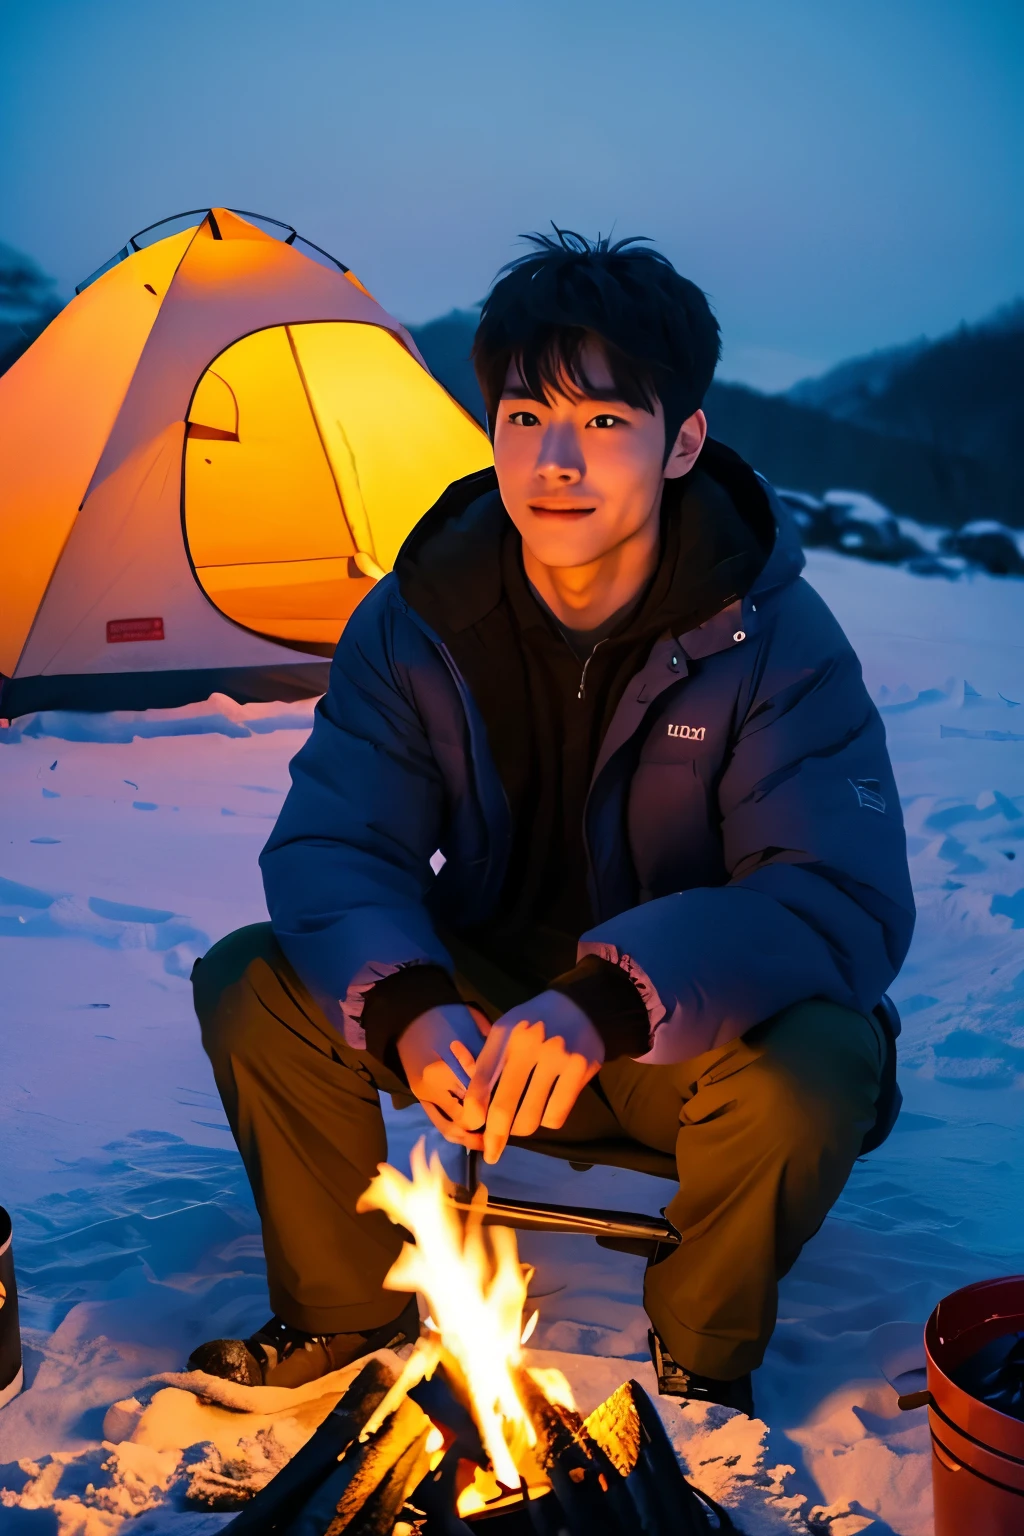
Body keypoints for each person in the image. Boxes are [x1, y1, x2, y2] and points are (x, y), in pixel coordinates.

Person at [188, 230, 915, 1413]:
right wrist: (413, 1004)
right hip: (476, 1015)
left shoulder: (772, 636)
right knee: (253, 983)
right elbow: (336, 844)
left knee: (822, 1063)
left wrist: (610, 1001)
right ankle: (343, 1313)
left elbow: (831, 897)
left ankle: (700, 1359)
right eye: (525, 419)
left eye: (606, 423)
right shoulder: (420, 615)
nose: (556, 462)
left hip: (675, 1039)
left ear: (682, 442)